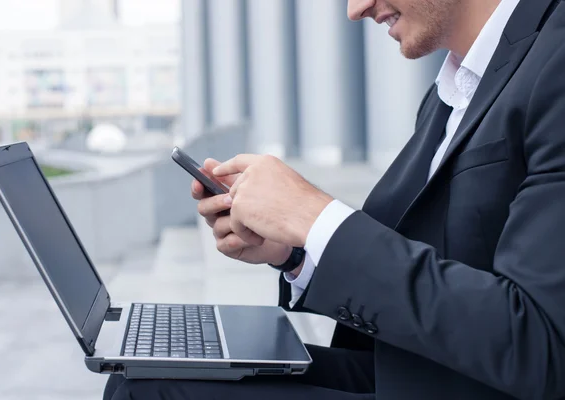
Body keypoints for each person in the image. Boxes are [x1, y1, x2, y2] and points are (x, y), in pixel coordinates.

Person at [105, 0, 565, 398]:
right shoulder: (453, 90)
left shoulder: (555, 60)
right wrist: (294, 252)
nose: (355, 9)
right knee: (141, 376)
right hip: (422, 368)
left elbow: (542, 346)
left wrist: (314, 217)